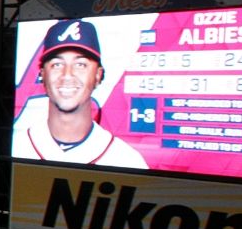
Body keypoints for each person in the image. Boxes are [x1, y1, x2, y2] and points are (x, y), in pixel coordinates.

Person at [12, 19, 147, 168]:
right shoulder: (15, 145)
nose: (67, 75)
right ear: (42, 75)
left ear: (98, 75)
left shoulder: (127, 160)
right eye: (57, 64)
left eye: (80, 65)